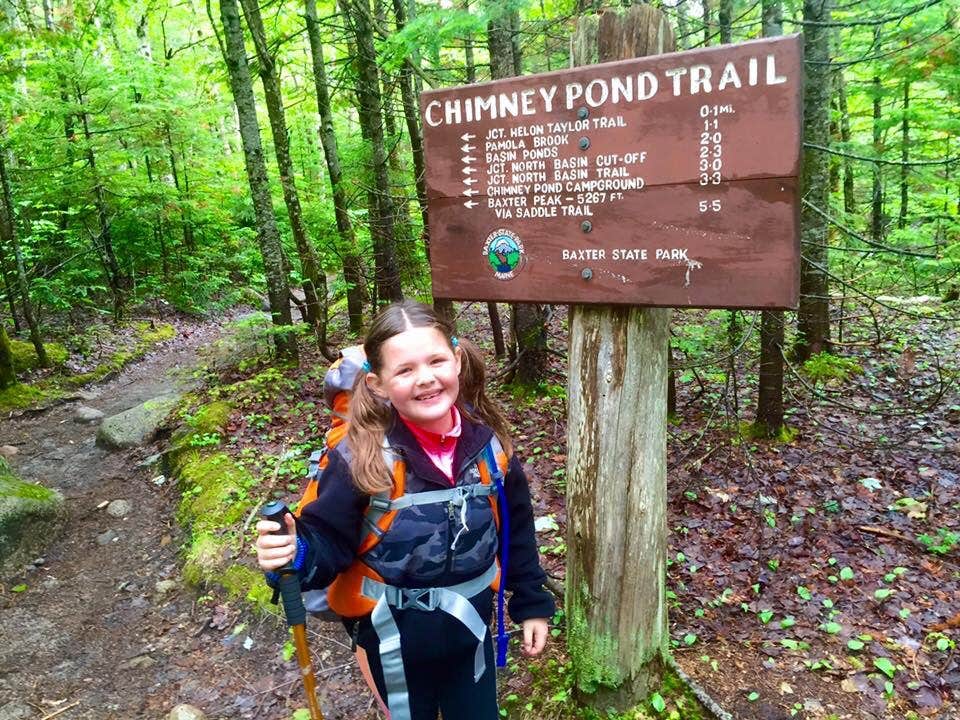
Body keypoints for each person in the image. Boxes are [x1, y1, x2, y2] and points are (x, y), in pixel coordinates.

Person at [255, 300, 555, 720]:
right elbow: (327, 540)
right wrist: (295, 552)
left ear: (457, 361)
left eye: (436, 361)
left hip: (471, 632)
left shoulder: (490, 448)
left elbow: (515, 528)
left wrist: (531, 602)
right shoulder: (362, 457)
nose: (425, 378)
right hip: (391, 640)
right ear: (378, 384)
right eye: (405, 370)